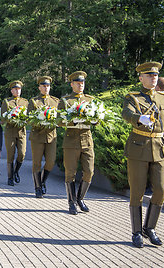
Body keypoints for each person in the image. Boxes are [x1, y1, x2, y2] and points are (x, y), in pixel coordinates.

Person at [122, 62, 164, 248]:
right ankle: (136, 232)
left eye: (155, 75)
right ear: (141, 78)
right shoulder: (132, 98)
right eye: (149, 75)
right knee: (137, 192)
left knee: (160, 190)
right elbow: (126, 113)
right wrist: (138, 118)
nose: (153, 78)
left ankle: (149, 228)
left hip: (160, 150)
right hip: (138, 148)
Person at [58, 71, 95, 215]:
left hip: (87, 140)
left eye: (83, 83)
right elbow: (59, 121)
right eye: (78, 83)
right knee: (70, 173)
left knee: (89, 171)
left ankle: (80, 198)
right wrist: (73, 120)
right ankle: (71, 202)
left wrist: (95, 120)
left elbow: (96, 116)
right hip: (71, 141)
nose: (81, 85)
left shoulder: (90, 100)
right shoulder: (65, 100)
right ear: (72, 84)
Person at [27, 76, 59, 198]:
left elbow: (60, 118)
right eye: (43, 86)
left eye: (48, 86)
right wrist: (39, 121)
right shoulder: (34, 101)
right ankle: (37, 187)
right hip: (37, 136)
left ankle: (43, 181)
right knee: (36, 163)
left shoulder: (56, 101)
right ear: (39, 87)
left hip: (51, 136)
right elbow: (29, 119)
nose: (46, 88)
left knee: (50, 162)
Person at [1, 81, 29, 186]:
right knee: (10, 155)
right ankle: (10, 177)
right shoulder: (7, 102)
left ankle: (16, 171)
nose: (17, 91)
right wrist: (12, 117)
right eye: (15, 89)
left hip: (21, 131)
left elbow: (29, 117)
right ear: (12, 90)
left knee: (22, 154)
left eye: (19, 89)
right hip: (10, 131)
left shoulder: (26, 102)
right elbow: (3, 117)